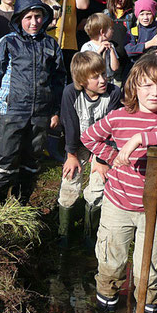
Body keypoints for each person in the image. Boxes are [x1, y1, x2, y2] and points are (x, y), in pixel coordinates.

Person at [81, 53, 157, 313]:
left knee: (150, 266)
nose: (154, 93)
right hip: (117, 204)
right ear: (134, 87)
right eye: (146, 85)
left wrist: (140, 138)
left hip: (156, 208)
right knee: (111, 260)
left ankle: (147, 305)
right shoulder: (119, 116)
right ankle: (107, 303)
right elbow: (88, 137)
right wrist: (111, 158)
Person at [0, 0, 66, 210]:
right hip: (13, 110)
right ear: (19, 19)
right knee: (6, 159)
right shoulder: (8, 43)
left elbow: (59, 80)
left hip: (40, 112)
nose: (34, 22)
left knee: (32, 160)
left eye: (38, 16)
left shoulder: (51, 45)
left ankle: (21, 205)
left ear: (44, 18)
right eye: (28, 17)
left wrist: (55, 111)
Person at [57, 51, 121, 249]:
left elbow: (112, 128)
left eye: (104, 74)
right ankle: (64, 234)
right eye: (96, 77)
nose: (103, 80)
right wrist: (71, 155)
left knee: (98, 185)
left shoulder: (114, 92)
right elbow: (69, 124)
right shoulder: (70, 93)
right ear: (82, 81)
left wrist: (102, 161)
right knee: (70, 182)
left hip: (103, 144)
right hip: (78, 143)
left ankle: (89, 234)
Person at [104, 0, 135, 86]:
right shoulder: (106, 14)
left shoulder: (132, 15)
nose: (120, 0)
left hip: (128, 62)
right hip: (110, 63)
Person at [80, 13, 120, 82]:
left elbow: (115, 68)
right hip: (94, 81)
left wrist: (112, 51)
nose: (113, 31)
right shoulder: (88, 47)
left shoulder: (111, 45)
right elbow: (88, 67)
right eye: (111, 28)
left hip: (109, 80)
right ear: (102, 32)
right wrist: (99, 52)